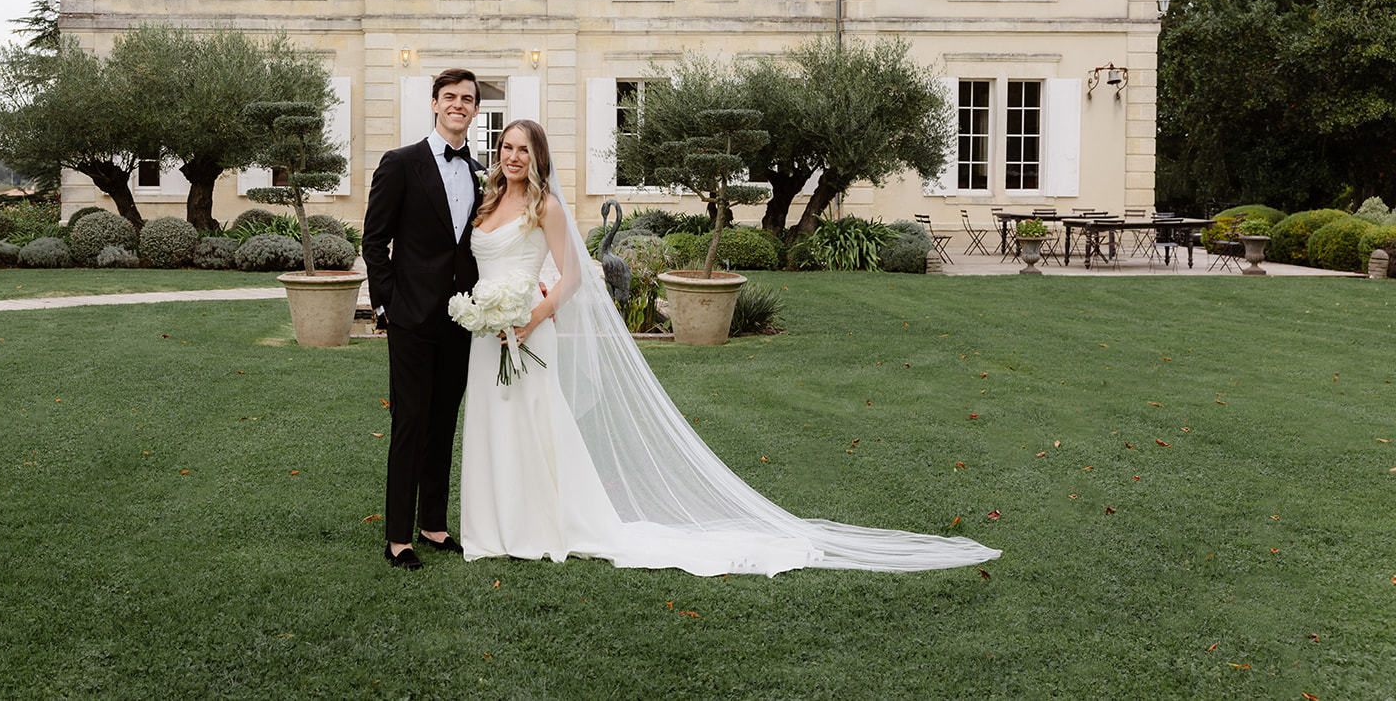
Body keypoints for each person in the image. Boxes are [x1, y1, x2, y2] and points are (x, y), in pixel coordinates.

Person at [459, 119, 1002, 576]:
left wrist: (534, 315)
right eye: (506, 147)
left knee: (535, 426)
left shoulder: (546, 206)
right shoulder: (486, 203)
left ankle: (536, 525)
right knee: (492, 424)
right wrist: (487, 312)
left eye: (523, 149)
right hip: (488, 336)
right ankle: (492, 527)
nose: (513, 156)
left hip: (529, 329)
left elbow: (573, 276)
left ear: (537, 157)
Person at [362, 69, 484, 570]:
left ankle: (434, 524)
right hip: (411, 319)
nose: (459, 105)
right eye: (450, 97)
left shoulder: (479, 171)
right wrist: (388, 306)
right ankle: (397, 538)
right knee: (410, 423)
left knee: (442, 422)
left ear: (476, 110)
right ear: (435, 104)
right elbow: (374, 241)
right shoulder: (401, 163)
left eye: (468, 99)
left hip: (461, 319)